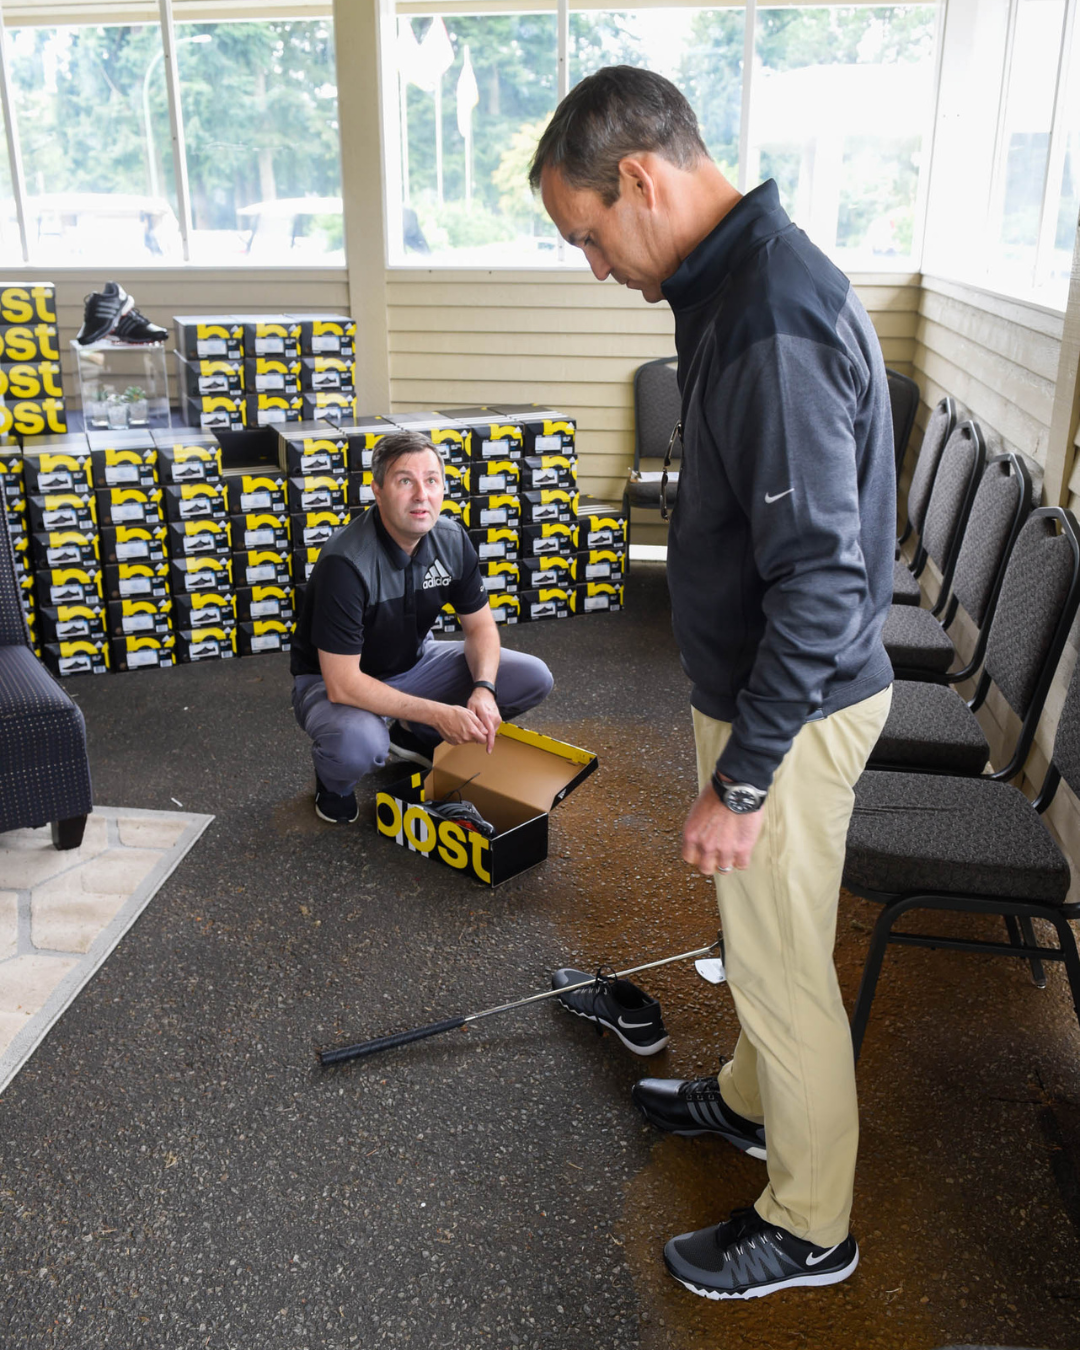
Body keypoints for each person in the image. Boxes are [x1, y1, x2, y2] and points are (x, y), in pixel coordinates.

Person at [531, 66, 895, 1301]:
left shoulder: (769, 315)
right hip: (762, 693)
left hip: (794, 709)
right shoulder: (728, 286)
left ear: (640, 178)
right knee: (758, 939)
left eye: (589, 236)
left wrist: (743, 782)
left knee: (783, 973)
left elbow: (823, 581)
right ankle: (748, 1103)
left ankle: (810, 1226)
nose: (596, 268)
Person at [290, 429, 554, 824]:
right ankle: (334, 783)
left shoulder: (451, 540)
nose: (421, 495)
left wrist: (484, 689)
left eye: (431, 480)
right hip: (334, 681)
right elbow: (342, 683)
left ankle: (412, 736)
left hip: (415, 662)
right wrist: (438, 712)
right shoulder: (345, 564)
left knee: (532, 677)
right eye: (405, 481)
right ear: (378, 490)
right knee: (358, 745)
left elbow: (480, 629)